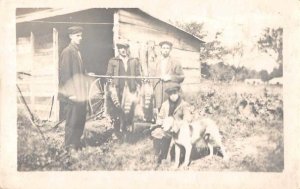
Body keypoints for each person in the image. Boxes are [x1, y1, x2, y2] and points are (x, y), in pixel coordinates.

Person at [58, 26, 88, 151]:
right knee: (72, 121)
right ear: (70, 36)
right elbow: (65, 74)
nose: (80, 38)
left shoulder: (77, 51)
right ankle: (69, 147)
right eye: (77, 36)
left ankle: (76, 143)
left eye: (81, 35)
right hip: (72, 95)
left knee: (80, 119)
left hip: (80, 93)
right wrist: (70, 94)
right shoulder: (67, 52)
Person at [106, 41, 141, 138]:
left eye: (125, 48)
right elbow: (108, 75)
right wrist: (110, 81)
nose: (123, 50)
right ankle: (117, 132)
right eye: (121, 48)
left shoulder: (133, 60)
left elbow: (138, 75)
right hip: (118, 89)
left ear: (127, 49)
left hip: (130, 89)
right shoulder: (113, 61)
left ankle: (128, 132)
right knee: (117, 110)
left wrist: (140, 82)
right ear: (118, 49)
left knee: (129, 109)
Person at [151, 82, 191, 164]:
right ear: (168, 95)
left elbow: (187, 118)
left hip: (179, 130)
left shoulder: (183, 104)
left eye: (175, 93)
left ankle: (171, 157)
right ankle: (158, 155)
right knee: (156, 133)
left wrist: (177, 124)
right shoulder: (165, 104)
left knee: (176, 143)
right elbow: (160, 117)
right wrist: (161, 121)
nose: (173, 95)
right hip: (167, 129)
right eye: (171, 94)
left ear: (178, 93)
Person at [150, 41, 185, 112]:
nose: (165, 50)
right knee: (159, 112)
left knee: (170, 111)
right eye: (163, 48)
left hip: (170, 91)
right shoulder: (156, 62)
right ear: (161, 49)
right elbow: (152, 76)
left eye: (167, 48)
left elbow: (181, 77)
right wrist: (153, 89)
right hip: (158, 91)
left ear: (170, 50)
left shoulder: (175, 62)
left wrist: (170, 77)